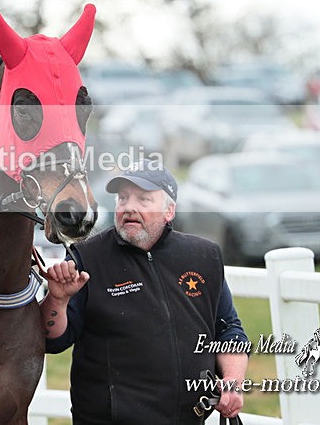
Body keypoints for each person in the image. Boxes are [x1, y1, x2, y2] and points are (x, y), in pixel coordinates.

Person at [40, 161, 250, 423]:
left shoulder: (203, 256)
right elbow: (53, 341)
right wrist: (57, 301)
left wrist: (232, 380)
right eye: (123, 198)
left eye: (143, 199)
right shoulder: (88, 258)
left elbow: (228, 329)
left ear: (169, 211)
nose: (129, 207)